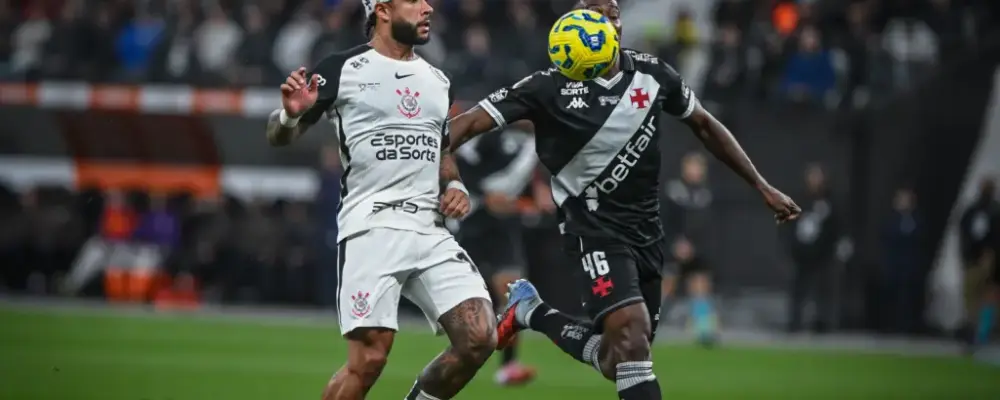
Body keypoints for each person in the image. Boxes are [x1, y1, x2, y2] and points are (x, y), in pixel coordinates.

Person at [446, 1, 801, 398]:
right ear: (577, 25)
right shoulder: (546, 86)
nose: (608, 18)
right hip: (592, 231)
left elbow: (704, 123)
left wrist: (761, 185)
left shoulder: (652, 74)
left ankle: (532, 311)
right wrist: (443, 177)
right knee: (632, 341)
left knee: (623, 360)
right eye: (595, 11)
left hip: (647, 232)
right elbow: (464, 125)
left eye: (613, 11)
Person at [264, 1, 496, 399]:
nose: (428, 8)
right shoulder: (342, 68)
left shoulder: (438, 79)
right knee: (369, 360)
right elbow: (278, 135)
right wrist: (289, 117)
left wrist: (454, 184)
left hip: (429, 229)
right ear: (383, 10)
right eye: (415, 1)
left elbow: (439, 148)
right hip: (372, 227)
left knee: (480, 336)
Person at [452, 123, 538, 386]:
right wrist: (484, 193)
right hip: (473, 221)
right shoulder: (486, 135)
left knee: (511, 293)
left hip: (504, 227)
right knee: (467, 298)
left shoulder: (532, 147)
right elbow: (458, 162)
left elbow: (525, 191)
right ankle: (459, 356)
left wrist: (523, 204)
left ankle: (509, 366)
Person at [661, 152, 718, 345]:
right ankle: (646, 326)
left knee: (700, 286)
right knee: (666, 287)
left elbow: (705, 226)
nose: (696, 171)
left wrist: (694, 246)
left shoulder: (704, 195)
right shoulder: (673, 191)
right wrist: (676, 243)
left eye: (700, 167)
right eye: (692, 166)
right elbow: (665, 221)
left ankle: (704, 330)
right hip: (672, 248)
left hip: (695, 250)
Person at [959, 178, 998, 349]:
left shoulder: (988, 211)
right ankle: (978, 334)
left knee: (983, 299)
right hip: (977, 261)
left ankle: (980, 334)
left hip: (985, 262)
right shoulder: (974, 211)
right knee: (977, 299)